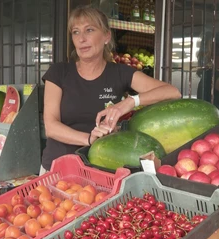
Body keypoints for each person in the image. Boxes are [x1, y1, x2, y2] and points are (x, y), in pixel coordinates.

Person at [40, 5, 181, 174]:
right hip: (58, 168)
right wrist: (90, 139)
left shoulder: (119, 73)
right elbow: (51, 126)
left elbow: (173, 92)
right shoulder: (59, 72)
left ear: (106, 36)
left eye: (89, 30)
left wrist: (130, 102)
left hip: (102, 171)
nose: (81, 38)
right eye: (75, 32)